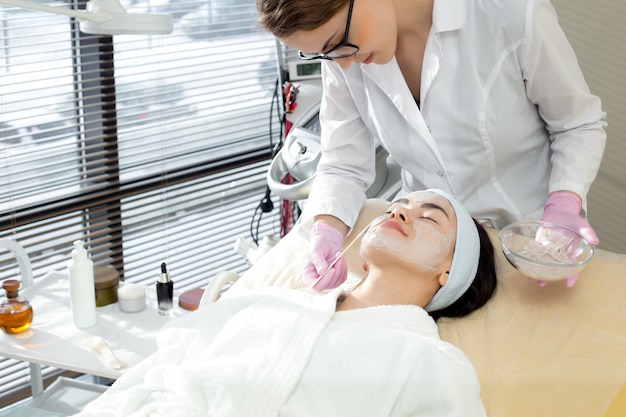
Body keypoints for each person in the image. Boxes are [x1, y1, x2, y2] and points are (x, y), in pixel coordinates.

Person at [256, 0, 607, 290]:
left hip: (532, 246)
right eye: (323, 54)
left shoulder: (508, 12)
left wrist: (564, 202)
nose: (343, 62)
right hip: (432, 266)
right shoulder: (344, 57)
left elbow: (578, 123)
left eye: (335, 42)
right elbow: (343, 164)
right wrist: (326, 229)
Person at [74, 190, 497, 417]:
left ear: (450, 272)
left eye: (429, 217)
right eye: (398, 204)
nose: (399, 212)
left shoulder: (430, 363)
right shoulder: (270, 302)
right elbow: (154, 374)